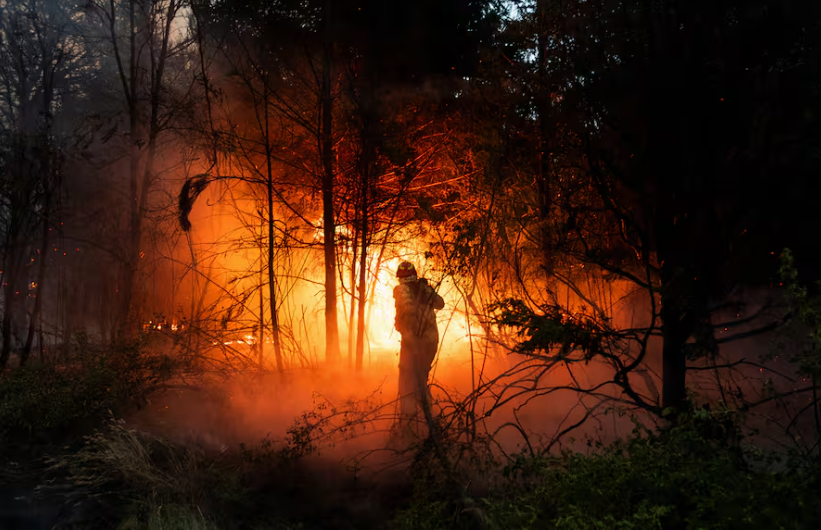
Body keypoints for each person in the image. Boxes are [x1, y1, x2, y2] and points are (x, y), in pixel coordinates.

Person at [393, 261, 445, 426]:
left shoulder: (400, 290)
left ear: (400, 277)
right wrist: (427, 290)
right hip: (430, 342)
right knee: (421, 379)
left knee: (407, 384)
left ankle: (409, 425)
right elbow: (440, 303)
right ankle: (431, 420)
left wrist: (409, 339)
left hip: (412, 343)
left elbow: (406, 316)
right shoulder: (424, 289)